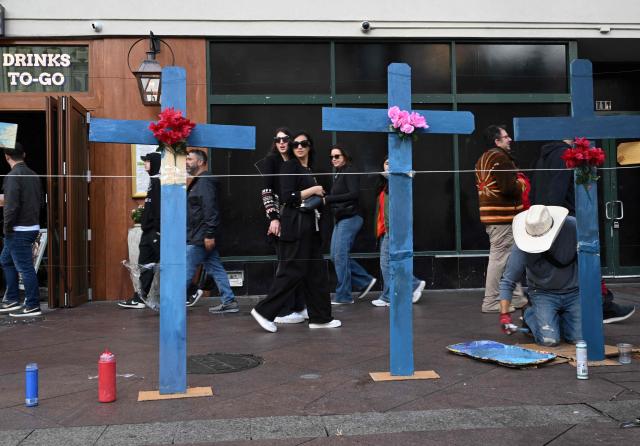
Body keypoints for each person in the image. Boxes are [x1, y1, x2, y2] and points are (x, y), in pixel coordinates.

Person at [530, 140, 635, 324]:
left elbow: (537, 190)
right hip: (565, 220)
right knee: (586, 261)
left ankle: (591, 307)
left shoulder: (543, 156)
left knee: (569, 268)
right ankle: (602, 307)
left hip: (548, 220)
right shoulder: (563, 154)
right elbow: (557, 191)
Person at [251, 131, 340, 332]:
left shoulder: (307, 169)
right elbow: (287, 196)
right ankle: (265, 311)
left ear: (310, 147)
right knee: (293, 270)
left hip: (311, 227)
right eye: (296, 144)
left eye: (303, 144)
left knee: (316, 274)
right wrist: (314, 190)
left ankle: (320, 318)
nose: (299, 147)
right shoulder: (289, 166)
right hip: (297, 226)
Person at [498, 205, 580, 347]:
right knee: (549, 340)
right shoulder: (522, 242)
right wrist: (504, 315)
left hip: (574, 291)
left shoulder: (573, 227)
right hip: (543, 293)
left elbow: (591, 255)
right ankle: (530, 314)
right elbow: (508, 280)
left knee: (579, 340)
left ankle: (556, 319)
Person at [256, 127, 307, 324]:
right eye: (278, 140)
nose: (282, 143)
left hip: (297, 218)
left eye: (286, 139)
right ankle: (282, 310)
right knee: (285, 264)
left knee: (296, 263)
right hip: (281, 218)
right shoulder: (271, 162)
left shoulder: (294, 162)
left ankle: (297, 305)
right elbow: (266, 191)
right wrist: (273, 218)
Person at [475, 125, 528, 313]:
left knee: (507, 259)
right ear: (497, 141)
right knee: (500, 259)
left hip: (493, 218)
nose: (510, 139)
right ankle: (491, 301)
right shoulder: (499, 158)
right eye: (505, 137)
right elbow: (508, 188)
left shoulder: (483, 158)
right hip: (503, 218)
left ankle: (516, 297)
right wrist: (521, 182)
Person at [184, 149, 239, 313]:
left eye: (189, 159)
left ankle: (170, 305)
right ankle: (229, 301)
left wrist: (209, 234)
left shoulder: (205, 182)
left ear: (200, 162)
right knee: (215, 268)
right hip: (202, 236)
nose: (186, 162)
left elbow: (210, 210)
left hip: (200, 238)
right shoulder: (200, 182)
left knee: (184, 270)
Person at [324, 145, 376, 305]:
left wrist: (329, 199)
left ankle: (344, 295)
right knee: (335, 255)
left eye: (337, 156)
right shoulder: (339, 174)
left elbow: (354, 194)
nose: (334, 159)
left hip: (352, 217)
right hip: (342, 218)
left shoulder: (350, 171)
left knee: (339, 255)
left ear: (345, 157)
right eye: (332, 157)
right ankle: (365, 281)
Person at [371, 157, 426, 307]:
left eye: (391, 162)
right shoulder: (384, 185)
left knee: (386, 263)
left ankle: (411, 285)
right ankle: (393, 293)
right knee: (391, 263)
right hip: (385, 229)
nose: (388, 165)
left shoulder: (399, 182)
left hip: (393, 229)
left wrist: (398, 172)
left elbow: (409, 175)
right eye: (386, 162)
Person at [0, 143, 43, 317]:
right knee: (6, 260)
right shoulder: (33, 174)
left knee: (25, 268)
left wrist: (7, 227)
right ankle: (12, 299)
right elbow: (38, 201)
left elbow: (11, 207)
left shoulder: (12, 176)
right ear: (23, 154)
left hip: (18, 229)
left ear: (6, 156)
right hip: (31, 226)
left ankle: (32, 305)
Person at [119, 152, 161, 309]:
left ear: (155, 163)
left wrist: (157, 229)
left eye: (148, 162)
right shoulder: (153, 182)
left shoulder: (158, 183)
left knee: (169, 264)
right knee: (145, 265)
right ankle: (139, 298)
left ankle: (189, 291)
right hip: (148, 232)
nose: (145, 164)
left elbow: (158, 209)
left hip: (155, 232)